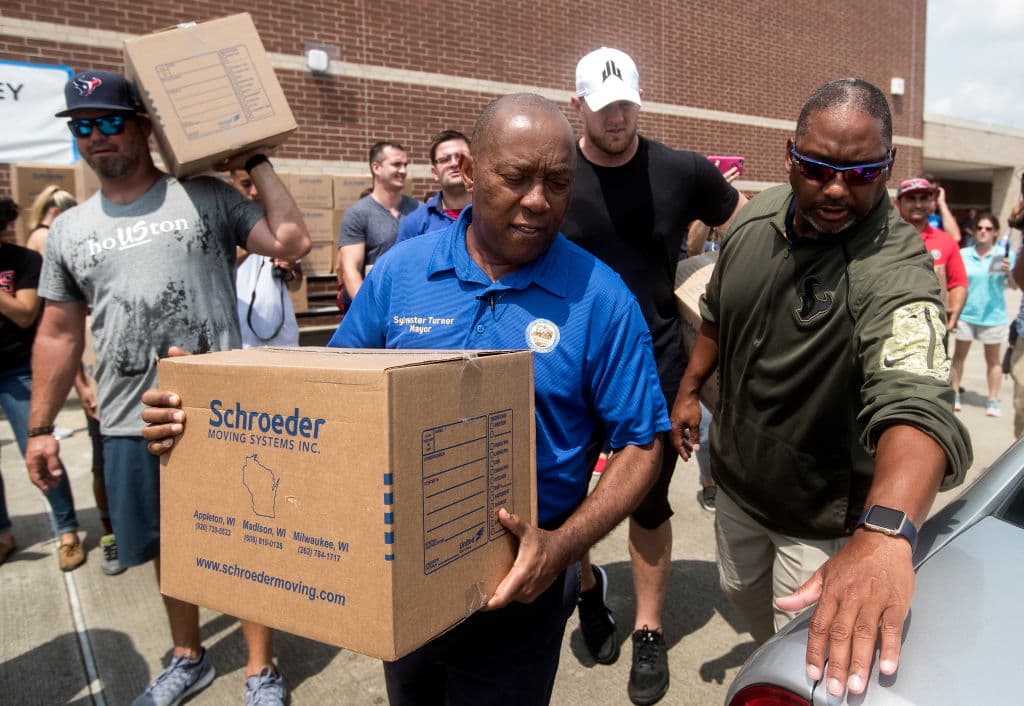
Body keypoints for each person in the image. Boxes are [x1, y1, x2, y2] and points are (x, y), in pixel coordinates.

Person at [142, 92, 670, 706]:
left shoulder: (601, 299)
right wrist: (198, 413)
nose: (537, 201)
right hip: (401, 579)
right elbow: (324, 399)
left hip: (523, 587)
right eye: (515, 178)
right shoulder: (401, 273)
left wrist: (562, 548)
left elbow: (642, 443)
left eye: (557, 183)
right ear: (468, 172)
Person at [671, 78, 972, 699]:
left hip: (819, 522)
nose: (836, 189)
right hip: (737, 487)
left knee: (809, 673)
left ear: (888, 165)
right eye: (817, 168)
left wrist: (885, 534)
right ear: (790, 155)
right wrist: (690, 388)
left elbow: (915, 401)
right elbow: (718, 313)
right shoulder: (756, 217)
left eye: (862, 173)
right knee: (744, 601)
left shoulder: (895, 265)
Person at [24, 70, 311, 706]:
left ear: (144, 127)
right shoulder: (69, 230)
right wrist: (40, 427)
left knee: (246, 537)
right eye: (82, 127)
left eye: (109, 121)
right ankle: (188, 657)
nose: (96, 136)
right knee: (167, 549)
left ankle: (260, 670)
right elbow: (58, 332)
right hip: (131, 419)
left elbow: (292, 240)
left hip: (223, 413)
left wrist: (254, 160)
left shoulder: (205, 197)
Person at [560, 46, 746, 706]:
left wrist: (718, 291)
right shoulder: (556, 170)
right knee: (563, 496)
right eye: (603, 107)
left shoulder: (679, 169)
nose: (617, 118)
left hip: (655, 363)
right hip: (569, 362)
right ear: (577, 105)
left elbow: (744, 222)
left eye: (627, 105)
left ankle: (647, 629)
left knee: (648, 500)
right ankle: (587, 590)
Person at [24, 186, 123, 574]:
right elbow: (66, 336)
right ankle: (110, 533)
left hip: (133, 385)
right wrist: (82, 388)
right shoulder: (69, 279)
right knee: (102, 466)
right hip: (98, 386)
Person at [0, 197, 84, 571]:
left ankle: (67, 530)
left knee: (38, 450)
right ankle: (3, 533)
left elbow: (24, 313)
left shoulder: (24, 261)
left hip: (17, 369)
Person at [336, 141, 419, 301]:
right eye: (396, 165)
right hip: (376, 302)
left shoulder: (419, 210)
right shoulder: (358, 213)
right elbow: (351, 270)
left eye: (405, 165)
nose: (403, 171)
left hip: (413, 304)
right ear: (376, 168)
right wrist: (368, 310)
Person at [951, 212, 1015, 416]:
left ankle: (993, 400)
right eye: (979, 228)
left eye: (988, 229)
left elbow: (1014, 285)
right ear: (974, 231)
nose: (983, 232)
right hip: (966, 314)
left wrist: (1008, 272)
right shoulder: (963, 254)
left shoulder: (1005, 254)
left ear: (995, 232)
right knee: (959, 357)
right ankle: (954, 394)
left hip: (993, 316)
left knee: (993, 360)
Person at [230, 169, 303, 348]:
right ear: (232, 185)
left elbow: (297, 284)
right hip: (241, 340)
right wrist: (257, 243)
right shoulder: (222, 223)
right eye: (246, 184)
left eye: (258, 183)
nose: (255, 191)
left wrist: (289, 272)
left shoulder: (283, 226)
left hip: (283, 337)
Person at [896, 177, 968, 334]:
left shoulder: (946, 241)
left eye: (924, 198)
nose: (918, 205)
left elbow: (958, 282)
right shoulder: (885, 240)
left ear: (931, 202)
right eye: (911, 198)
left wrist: (955, 308)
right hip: (892, 327)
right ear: (898, 203)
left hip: (935, 329)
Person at [395, 130, 471, 242]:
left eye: (461, 157)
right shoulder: (414, 224)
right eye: (445, 159)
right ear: (434, 172)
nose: (454, 163)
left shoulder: (493, 214)